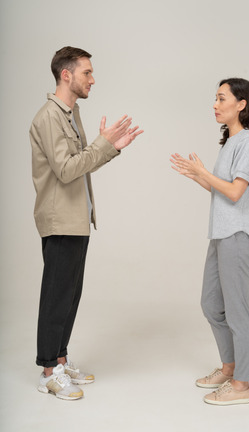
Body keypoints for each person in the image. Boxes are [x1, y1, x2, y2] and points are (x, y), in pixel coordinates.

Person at [30, 46, 143, 400]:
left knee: (70, 294)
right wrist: (103, 144)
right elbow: (66, 170)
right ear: (67, 75)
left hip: (77, 218)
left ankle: (61, 359)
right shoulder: (49, 116)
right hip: (59, 219)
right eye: (87, 73)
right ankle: (49, 371)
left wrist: (110, 148)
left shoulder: (70, 112)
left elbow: (81, 162)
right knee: (57, 295)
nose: (92, 79)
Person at [171, 78, 249, 406]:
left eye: (221, 98)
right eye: (215, 98)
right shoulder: (230, 142)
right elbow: (223, 192)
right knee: (211, 304)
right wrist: (198, 175)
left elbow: (237, 192)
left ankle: (242, 386)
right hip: (222, 233)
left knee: (237, 312)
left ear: (241, 104)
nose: (215, 104)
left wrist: (204, 173)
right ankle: (230, 366)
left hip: (239, 236)